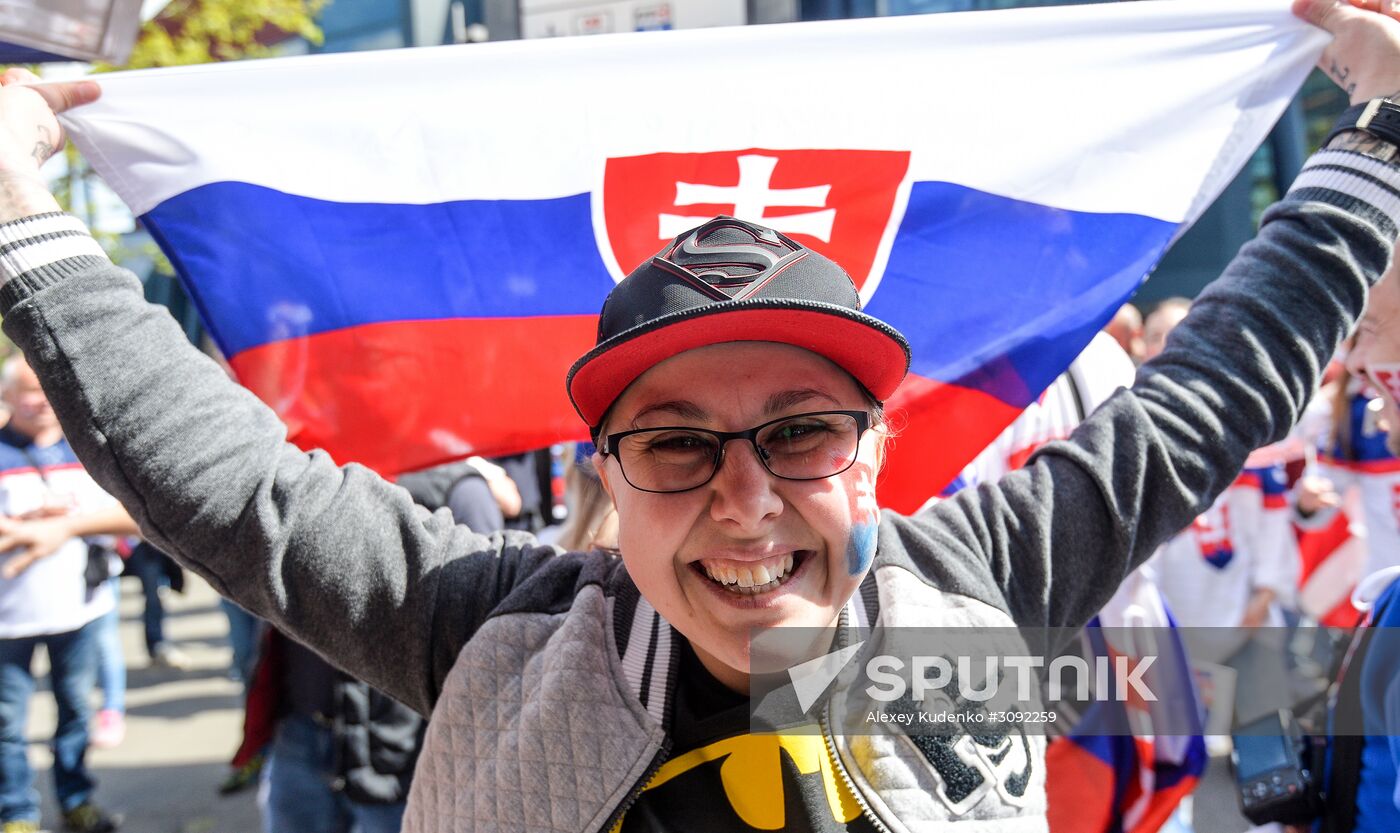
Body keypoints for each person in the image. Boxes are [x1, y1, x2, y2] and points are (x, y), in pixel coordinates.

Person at [0, 1, 1395, 829]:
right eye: (677, 444)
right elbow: (239, 488)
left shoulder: (977, 588)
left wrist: (1381, 134)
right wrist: (22, 221)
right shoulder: (501, 635)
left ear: (875, 452)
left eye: (801, 432)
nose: (747, 499)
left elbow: (1217, 384)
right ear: (610, 471)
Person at [0, 357, 139, 833]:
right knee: (6, 724)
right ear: (7, 397)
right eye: (26, 390)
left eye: (45, 389)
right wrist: (23, 529)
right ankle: (16, 812)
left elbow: (139, 520)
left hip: (80, 611)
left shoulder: (89, 452)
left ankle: (77, 799)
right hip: (8, 620)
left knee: (77, 711)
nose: (38, 400)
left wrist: (68, 524)